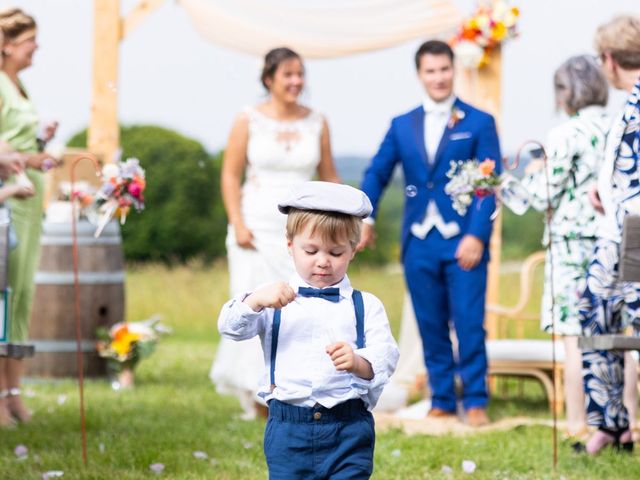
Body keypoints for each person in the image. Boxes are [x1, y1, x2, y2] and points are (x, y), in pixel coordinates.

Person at [359, 39, 501, 426]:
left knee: (469, 321)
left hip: (463, 241)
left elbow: (488, 184)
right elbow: (377, 172)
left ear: (453, 70)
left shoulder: (478, 122)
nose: (438, 77)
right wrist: (365, 217)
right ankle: (441, 396)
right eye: (430, 71)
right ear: (420, 74)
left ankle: (474, 400)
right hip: (418, 242)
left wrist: (476, 235)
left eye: (444, 69)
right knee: (430, 323)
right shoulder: (402, 124)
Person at [218, 181, 398, 478]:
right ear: (290, 246)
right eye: (311, 250)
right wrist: (255, 301)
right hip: (289, 429)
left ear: (353, 250)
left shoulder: (366, 306)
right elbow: (230, 328)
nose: (323, 261)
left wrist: (357, 361)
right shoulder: (271, 298)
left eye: (336, 252)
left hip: (348, 428)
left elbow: (386, 357)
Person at [210, 47, 340, 419]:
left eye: (300, 74)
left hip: (302, 230)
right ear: (269, 79)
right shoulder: (247, 119)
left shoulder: (318, 121)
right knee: (255, 304)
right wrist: (237, 221)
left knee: (299, 306)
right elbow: (230, 174)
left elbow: (329, 173)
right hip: (254, 228)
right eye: (288, 75)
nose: (296, 82)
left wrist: (356, 217)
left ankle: (292, 388)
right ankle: (256, 393)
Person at [520, 55, 636, 441]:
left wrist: (517, 180)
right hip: (619, 235)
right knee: (620, 334)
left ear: (565, 92)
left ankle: (579, 425)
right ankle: (628, 421)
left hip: (571, 243)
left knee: (575, 337)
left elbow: (542, 195)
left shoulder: (565, 133)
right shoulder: (618, 123)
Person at [576, 14, 640, 455]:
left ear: (610, 59)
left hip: (635, 232)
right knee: (594, 309)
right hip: (616, 229)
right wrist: (605, 192)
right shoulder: (628, 103)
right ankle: (611, 423)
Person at [0, 8, 59, 425]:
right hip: (8, 202)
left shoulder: (19, 86)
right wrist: (36, 157)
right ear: (6, 44)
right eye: (29, 40)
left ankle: (13, 394)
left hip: (27, 204)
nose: (36, 47)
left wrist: (40, 139)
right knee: (4, 297)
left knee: (20, 298)